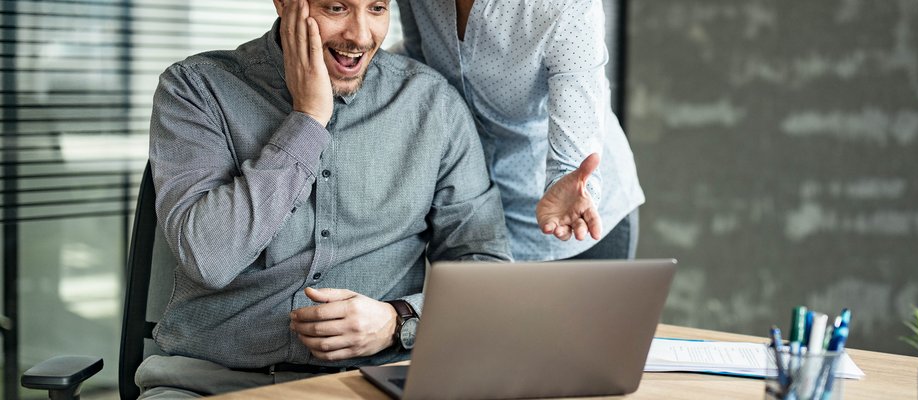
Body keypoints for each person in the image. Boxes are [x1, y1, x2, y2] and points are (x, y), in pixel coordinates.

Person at [135, 0, 511, 397]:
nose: (361, 35)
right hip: (209, 385)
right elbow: (208, 258)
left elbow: (485, 271)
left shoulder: (433, 105)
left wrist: (400, 321)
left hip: (371, 383)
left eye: (377, 9)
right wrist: (308, 119)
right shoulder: (197, 88)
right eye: (337, 8)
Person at [394, 0, 645, 261]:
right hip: (473, 219)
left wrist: (572, 185)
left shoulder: (564, 5)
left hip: (570, 224)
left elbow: (573, 154)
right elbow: (418, 64)